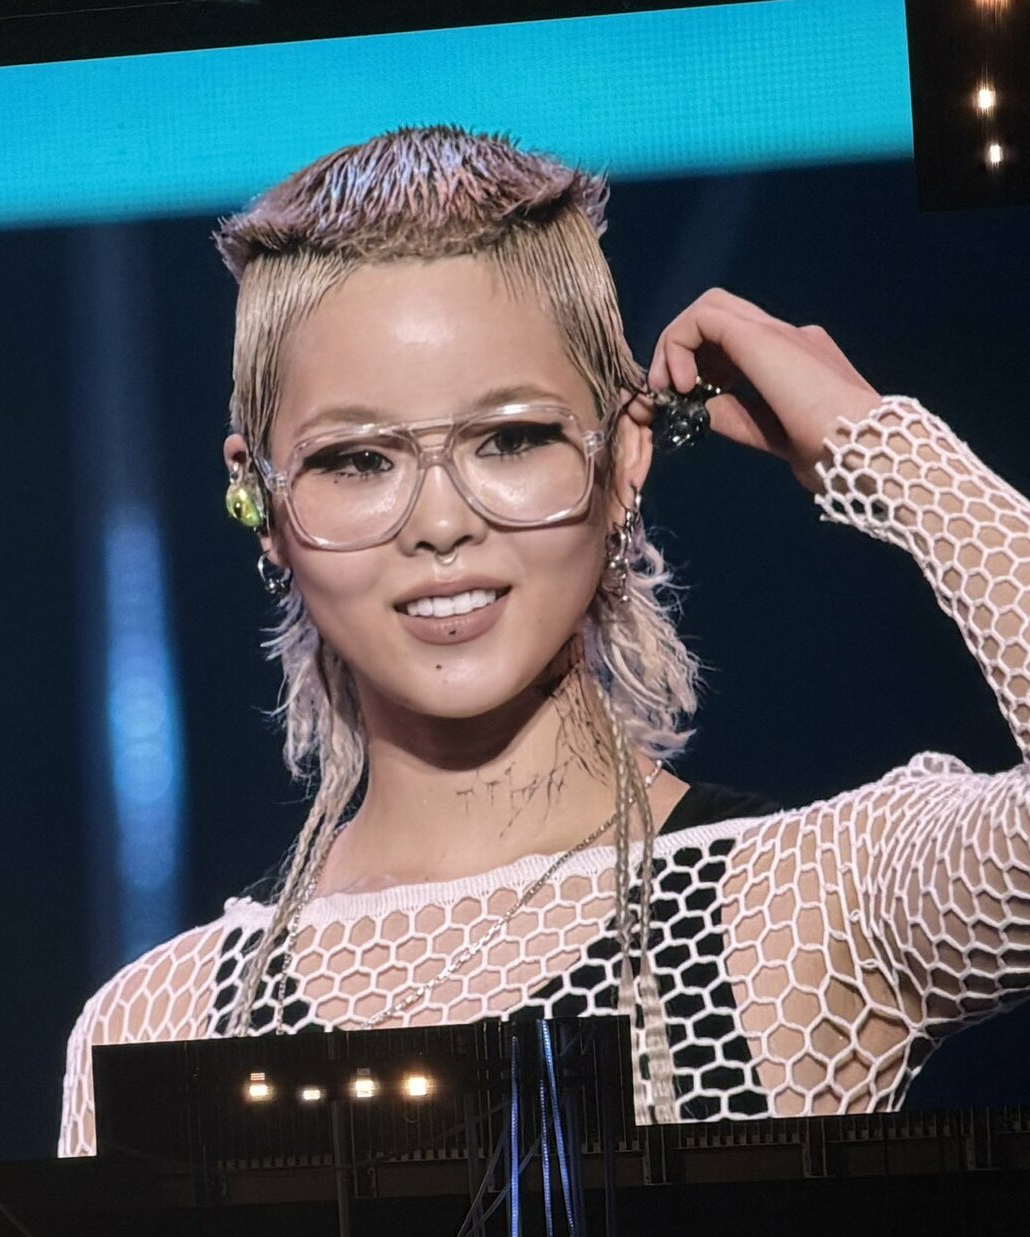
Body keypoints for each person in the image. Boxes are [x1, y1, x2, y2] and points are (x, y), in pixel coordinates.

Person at [58, 124, 1030, 1158]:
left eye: (512, 439)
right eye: (358, 461)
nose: (441, 524)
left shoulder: (807, 912)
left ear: (624, 459)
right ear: (259, 498)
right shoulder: (155, 1023)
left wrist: (874, 446)